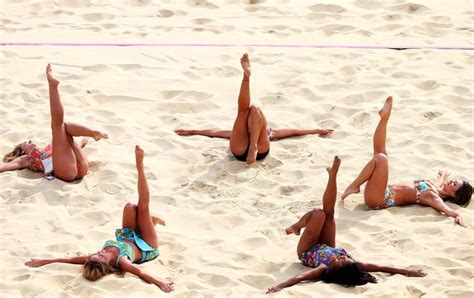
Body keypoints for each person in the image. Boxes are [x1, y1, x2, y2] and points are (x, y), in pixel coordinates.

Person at [25, 145, 174, 293]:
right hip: (146, 245)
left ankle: (150, 221)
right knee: (142, 208)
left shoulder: (94, 258)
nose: (98, 253)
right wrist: (161, 283)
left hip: (129, 236)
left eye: (95, 255)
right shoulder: (122, 262)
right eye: (100, 257)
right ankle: (140, 167)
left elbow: (70, 259)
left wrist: (45, 261)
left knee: (129, 207)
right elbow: (141, 273)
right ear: (106, 265)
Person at [266, 156, 425, 293]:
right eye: (345, 258)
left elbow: (301, 277)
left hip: (308, 249)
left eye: (340, 260)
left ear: (334, 269)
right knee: (329, 214)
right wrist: (407, 271)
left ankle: (297, 226)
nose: (342, 256)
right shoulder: (351, 263)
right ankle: (332, 175)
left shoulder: (323, 268)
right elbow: (380, 267)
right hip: (327, 244)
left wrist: (280, 286)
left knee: (318, 213)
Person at [175, 53, 333, 166]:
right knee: (254, 108)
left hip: (239, 150)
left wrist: (192, 130)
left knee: (243, 112)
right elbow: (295, 131)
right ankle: (254, 146)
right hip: (261, 149)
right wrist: (316, 130)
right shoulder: (270, 133)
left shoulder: (241, 132)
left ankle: (246, 77)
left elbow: (214, 133)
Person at [341, 97, 471, 227]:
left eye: (454, 184)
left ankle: (355, 186)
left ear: (453, 194)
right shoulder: (435, 188)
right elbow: (439, 183)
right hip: (382, 191)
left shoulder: (433, 197)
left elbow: (445, 209)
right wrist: (443, 176)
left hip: (379, 200)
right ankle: (384, 119)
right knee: (381, 152)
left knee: (381, 158)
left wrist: (457, 215)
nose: (451, 181)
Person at [1, 64, 108, 181]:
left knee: (64, 127)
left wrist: (82, 142)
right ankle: (53, 87)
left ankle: (93, 133)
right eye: (26, 143)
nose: (30, 141)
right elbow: (6, 166)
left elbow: (66, 148)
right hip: (66, 172)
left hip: (78, 165)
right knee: (57, 126)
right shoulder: (25, 159)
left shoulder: (49, 149)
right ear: (22, 151)